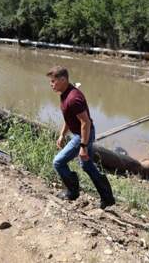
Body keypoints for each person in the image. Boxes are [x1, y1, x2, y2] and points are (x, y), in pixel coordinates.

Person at [47, 66, 115, 209]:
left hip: (83, 135)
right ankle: (107, 198)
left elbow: (85, 122)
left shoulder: (73, 98)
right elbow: (69, 117)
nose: (51, 84)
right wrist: (62, 134)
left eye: (53, 81)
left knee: (58, 162)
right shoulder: (65, 94)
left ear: (63, 80)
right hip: (84, 134)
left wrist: (83, 147)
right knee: (87, 165)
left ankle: (72, 192)